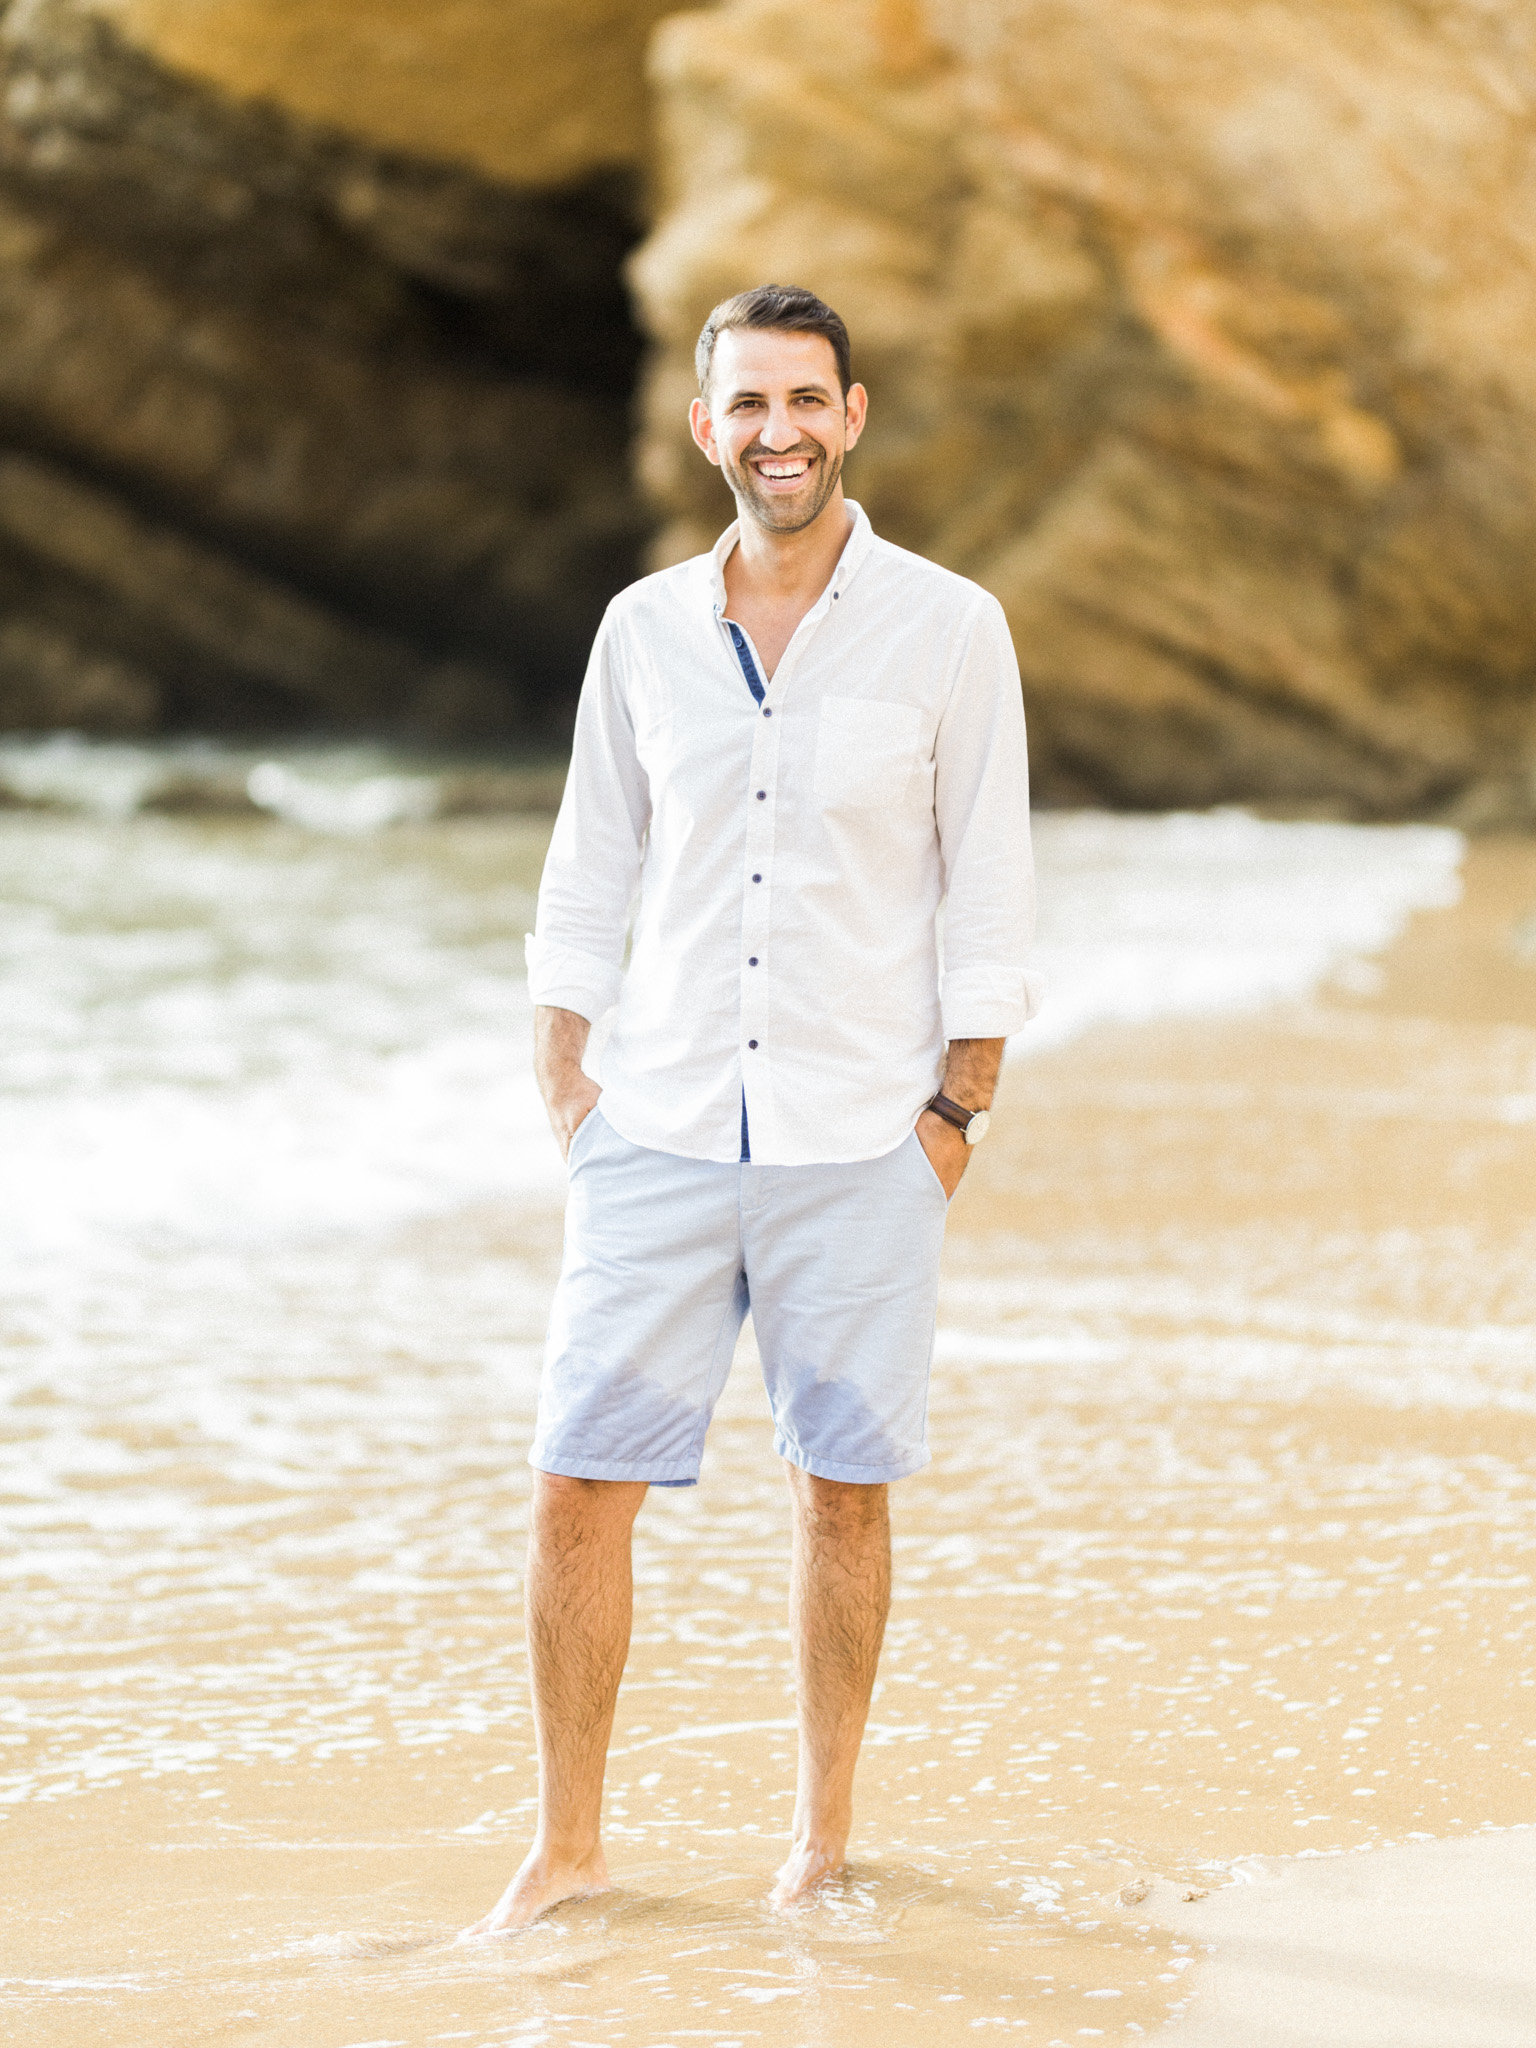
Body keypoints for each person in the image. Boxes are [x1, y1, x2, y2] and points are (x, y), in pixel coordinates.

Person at [466, 283, 1036, 1934]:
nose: (775, 431)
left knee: (839, 1487)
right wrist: (565, 1080)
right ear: (705, 426)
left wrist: (959, 1109)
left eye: (805, 399)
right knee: (578, 1480)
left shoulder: (950, 626)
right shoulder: (641, 628)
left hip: (866, 1131)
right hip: (650, 1123)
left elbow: (987, 877)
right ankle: (568, 1849)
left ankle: (820, 1845)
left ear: (851, 414)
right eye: (745, 406)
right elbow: (592, 862)